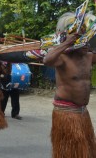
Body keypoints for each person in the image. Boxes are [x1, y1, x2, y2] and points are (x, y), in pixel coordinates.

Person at [43, 12, 96, 158]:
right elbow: (47, 60)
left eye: (87, 38)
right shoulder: (62, 58)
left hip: (83, 112)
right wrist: (67, 43)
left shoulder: (89, 57)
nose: (86, 42)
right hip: (66, 113)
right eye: (81, 38)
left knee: (87, 152)